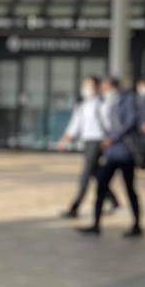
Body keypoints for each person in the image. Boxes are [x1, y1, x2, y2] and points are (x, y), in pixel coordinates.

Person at [78, 77, 142, 238]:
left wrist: (112, 137)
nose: (102, 89)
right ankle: (96, 224)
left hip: (125, 152)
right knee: (101, 186)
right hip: (111, 153)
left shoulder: (127, 100)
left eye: (104, 86)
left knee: (129, 189)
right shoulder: (104, 102)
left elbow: (130, 122)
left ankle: (137, 225)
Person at [57, 76, 119, 219]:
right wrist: (66, 138)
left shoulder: (102, 104)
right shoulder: (83, 104)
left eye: (89, 86)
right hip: (87, 141)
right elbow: (75, 123)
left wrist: (109, 139)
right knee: (96, 174)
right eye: (85, 85)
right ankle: (114, 201)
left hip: (97, 141)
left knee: (85, 175)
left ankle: (75, 207)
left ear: (97, 87)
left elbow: (109, 123)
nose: (86, 89)